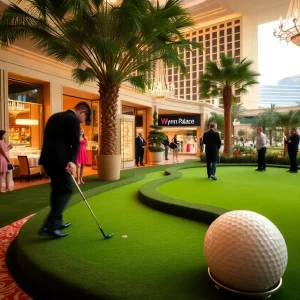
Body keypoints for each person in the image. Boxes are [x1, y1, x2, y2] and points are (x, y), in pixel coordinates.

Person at [39, 102, 91, 238]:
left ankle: (57, 221)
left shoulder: (54, 116)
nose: (83, 121)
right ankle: (51, 226)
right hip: (61, 161)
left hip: (48, 160)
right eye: (84, 119)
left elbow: (48, 140)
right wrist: (72, 161)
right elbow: (75, 143)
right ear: (82, 112)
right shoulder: (73, 120)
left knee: (57, 190)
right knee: (65, 190)